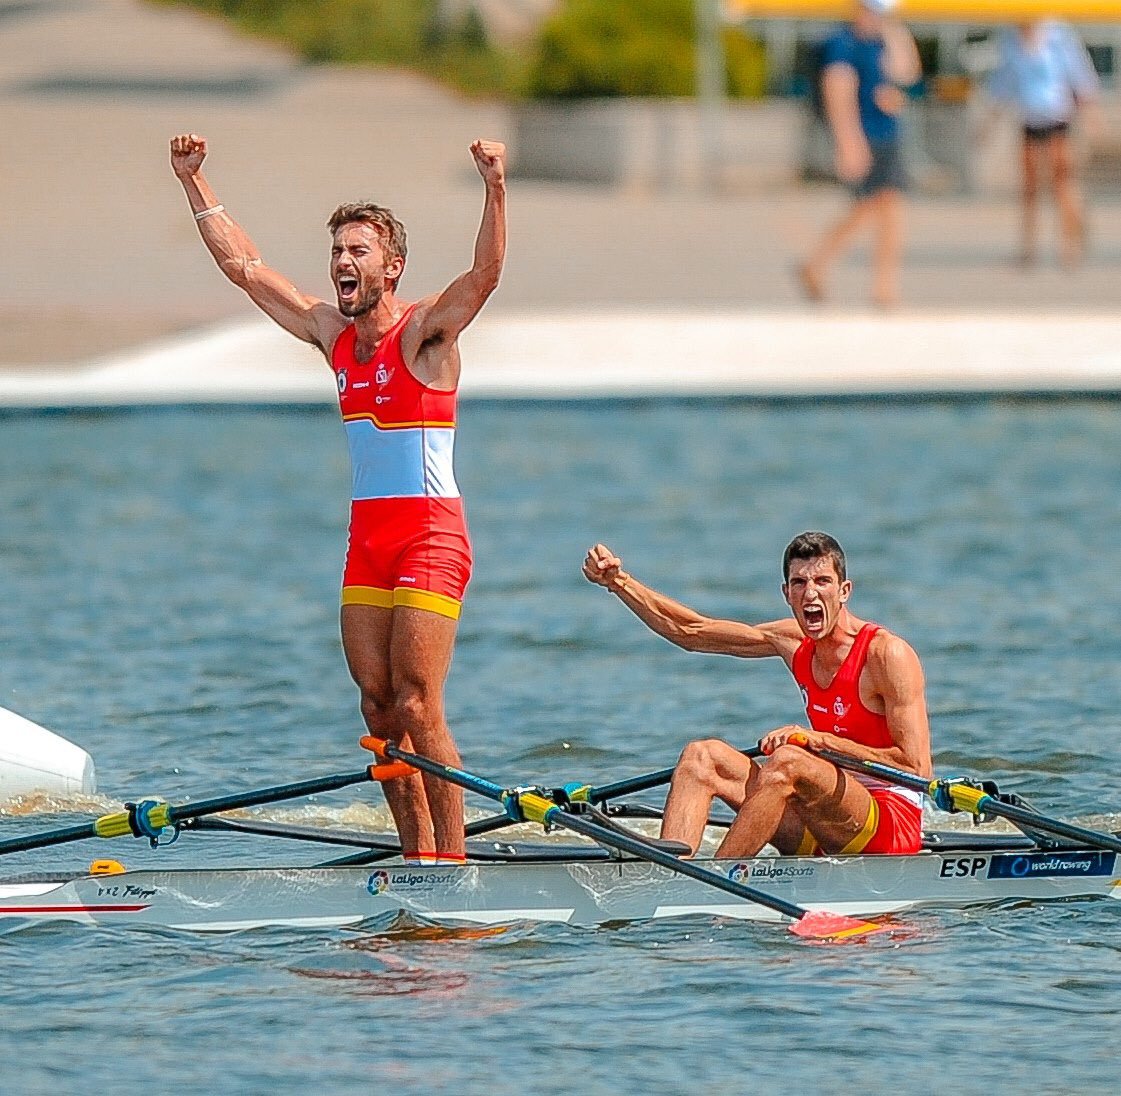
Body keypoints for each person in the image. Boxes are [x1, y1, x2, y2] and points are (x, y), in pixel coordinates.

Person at [170, 132, 507, 864]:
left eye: (358, 251)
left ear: (393, 267)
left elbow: (484, 274)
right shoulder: (331, 336)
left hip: (430, 537)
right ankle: (414, 852)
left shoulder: (424, 335)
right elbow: (246, 269)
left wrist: (494, 186)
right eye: (337, 252)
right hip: (368, 544)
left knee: (420, 702)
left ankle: (453, 862)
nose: (343, 263)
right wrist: (194, 182)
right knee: (379, 708)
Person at [583, 532, 932, 859]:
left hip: (888, 822)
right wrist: (618, 583)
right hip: (819, 815)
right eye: (799, 583)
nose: (810, 593)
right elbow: (692, 631)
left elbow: (916, 768)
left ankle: (718, 880)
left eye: (822, 582)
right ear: (786, 593)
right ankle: (671, 875)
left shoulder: (887, 655)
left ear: (844, 591)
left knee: (789, 760)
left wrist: (820, 741)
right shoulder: (792, 641)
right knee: (701, 757)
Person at [797, 0, 921, 308]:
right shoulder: (843, 43)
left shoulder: (881, 41)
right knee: (872, 207)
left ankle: (874, 284)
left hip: (887, 134)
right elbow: (838, 91)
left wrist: (895, 32)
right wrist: (848, 142)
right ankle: (824, 266)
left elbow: (906, 73)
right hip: (865, 136)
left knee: (884, 207)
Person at [985, 20, 1103, 268]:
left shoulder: (1059, 34)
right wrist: (990, 121)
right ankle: (1029, 249)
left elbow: (1079, 76)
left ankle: (1069, 248)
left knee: (1062, 184)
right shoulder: (1011, 37)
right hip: (1030, 119)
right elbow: (1004, 82)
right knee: (1030, 188)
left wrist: (1091, 116)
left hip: (1058, 118)